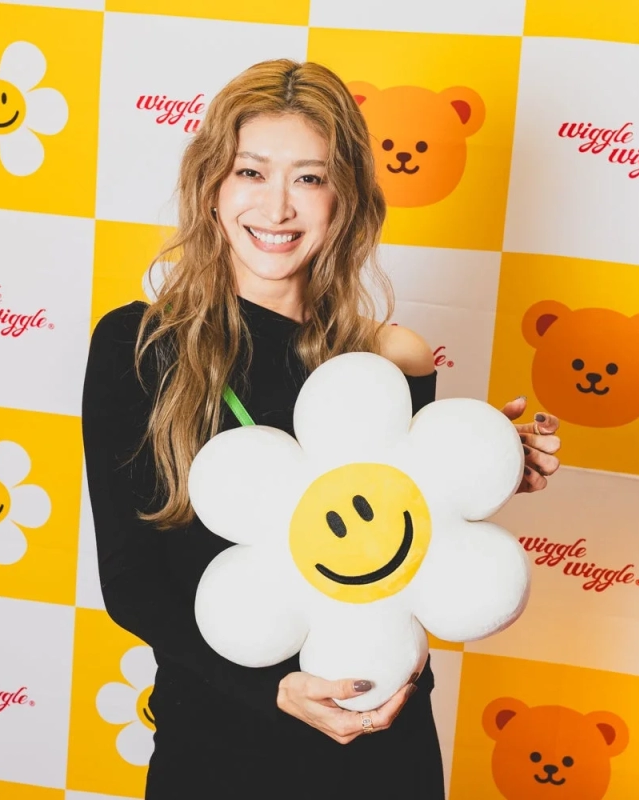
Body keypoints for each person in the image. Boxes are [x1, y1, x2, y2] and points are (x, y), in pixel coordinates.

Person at [81, 58, 562, 799]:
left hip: (381, 744)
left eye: (308, 178)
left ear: (344, 200)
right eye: (251, 172)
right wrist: (275, 688)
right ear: (212, 188)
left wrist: (491, 461)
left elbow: (400, 555)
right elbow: (133, 583)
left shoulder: (387, 359)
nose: (277, 208)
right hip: (221, 744)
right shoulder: (138, 346)